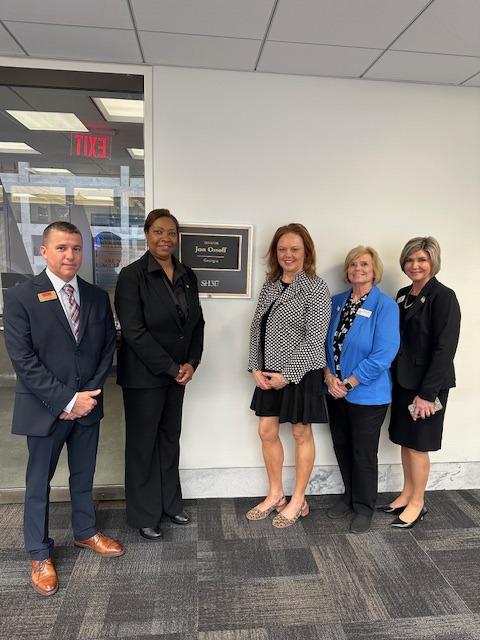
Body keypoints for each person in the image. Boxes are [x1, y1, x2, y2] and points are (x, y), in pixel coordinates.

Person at [3, 221, 123, 597]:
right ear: (44, 251)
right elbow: (24, 360)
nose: (69, 255)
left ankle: (85, 532)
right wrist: (67, 400)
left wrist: (86, 397)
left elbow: (106, 348)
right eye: (61, 248)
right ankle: (39, 553)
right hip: (45, 409)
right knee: (39, 482)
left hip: (88, 406)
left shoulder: (96, 297)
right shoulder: (21, 297)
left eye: (75, 248)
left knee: (83, 475)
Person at [114, 208, 204, 540]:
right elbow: (134, 331)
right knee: (143, 445)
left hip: (178, 375)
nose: (165, 238)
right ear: (146, 234)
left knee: (169, 439)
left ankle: (170, 504)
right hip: (144, 377)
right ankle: (145, 514)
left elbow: (197, 323)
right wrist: (170, 367)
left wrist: (191, 362)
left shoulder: (187, 274)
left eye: (170, 232)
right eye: (158, 231)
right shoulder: (132, 276)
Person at [246, 223, 331, 528]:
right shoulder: (270, 284)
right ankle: (276, 494)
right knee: (266, 431)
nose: (288, 254)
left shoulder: (316, 287)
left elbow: (315, 339)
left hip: (301, 372)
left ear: (306, 251)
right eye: (282, 249)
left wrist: (288, 374)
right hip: (268, 372)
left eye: (294, 249)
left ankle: (298, 500)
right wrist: (255, 367)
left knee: (300, 433)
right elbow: (257, 327)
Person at [383, 237, 461, 529]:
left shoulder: (444, 296)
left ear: (433, 262)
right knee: (405, 440)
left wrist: (427, 395)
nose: (414, 265)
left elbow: (445, 348)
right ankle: (407, 493)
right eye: (410, 260)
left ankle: (418, 502)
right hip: (404, 381)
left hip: (429, 385)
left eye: (422, 260)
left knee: (419, 445)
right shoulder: (403, 294)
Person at [324, 246, 399, 534]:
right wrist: (329, 377)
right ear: (347, 270)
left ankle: (364, 507)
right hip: (334, 391)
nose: (358, 268)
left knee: (363, 452)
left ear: (374, 270)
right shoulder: (336, 302)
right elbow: (322, 345)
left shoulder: (385, 306)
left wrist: (349, 383)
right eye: (353, 264)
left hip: (368, 394)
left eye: (364, 264)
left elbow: (383, 354)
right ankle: (349, 497)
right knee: (341, 445)